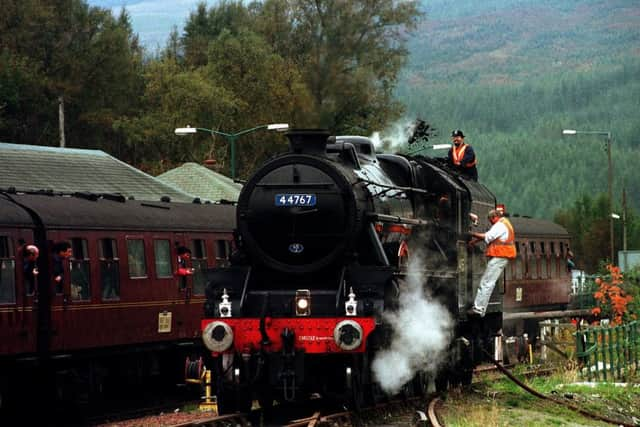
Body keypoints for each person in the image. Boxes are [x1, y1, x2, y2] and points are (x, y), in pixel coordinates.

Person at [467, 209, 516, 317]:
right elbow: (491, 237)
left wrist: (470, 233)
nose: (491, 223)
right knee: (487, 282)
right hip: (501, 257)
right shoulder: (504, 224)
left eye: (490, 220)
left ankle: (479, 309)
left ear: (494, 217)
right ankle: (480, 309)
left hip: (499, 257)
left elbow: (487, 237)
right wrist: (474, 241)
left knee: (486, 282)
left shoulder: (500, 225)